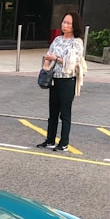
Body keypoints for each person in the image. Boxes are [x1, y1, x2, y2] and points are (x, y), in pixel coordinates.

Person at [37, 11, 87, 152]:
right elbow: (49, 53)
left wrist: (56, 59)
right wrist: (49, 59)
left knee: (64, 113)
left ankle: (64, 142)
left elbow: (74, 62)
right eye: (64, 22)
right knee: (52, 112)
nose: (65, 25)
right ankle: (50, 139)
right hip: (54, 78)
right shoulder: (57, 40)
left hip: (67, 80)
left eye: (68, 23)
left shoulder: (77, 42)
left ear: (74, 25)